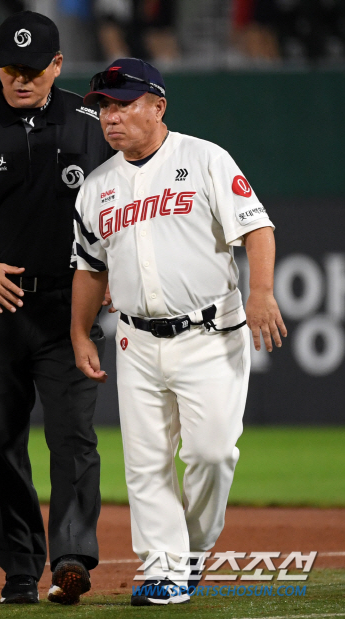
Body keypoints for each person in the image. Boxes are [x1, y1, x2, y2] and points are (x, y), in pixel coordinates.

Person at [70, 58, 287, 605]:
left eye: (123, 104)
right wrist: (79, 332)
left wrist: (260, 292)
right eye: (104, 108)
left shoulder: (204, 158)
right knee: (145, 464)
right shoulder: (97, 187)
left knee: (212, 454)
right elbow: (90, 268)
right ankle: (163, 567)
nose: (111, 118)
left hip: (210, 334)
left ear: (158, 106)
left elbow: (257, 227)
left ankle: (191, 550)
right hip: (136, 340)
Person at [0, 11, 113, 606]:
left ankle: (70, 558)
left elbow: (128, 200)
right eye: (11, 68)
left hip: (72, 305)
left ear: (58, 65)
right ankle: (17, 566)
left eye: (34, 69)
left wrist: (115, 272)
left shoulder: (92, 125)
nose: (22, 79)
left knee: (73, 435)